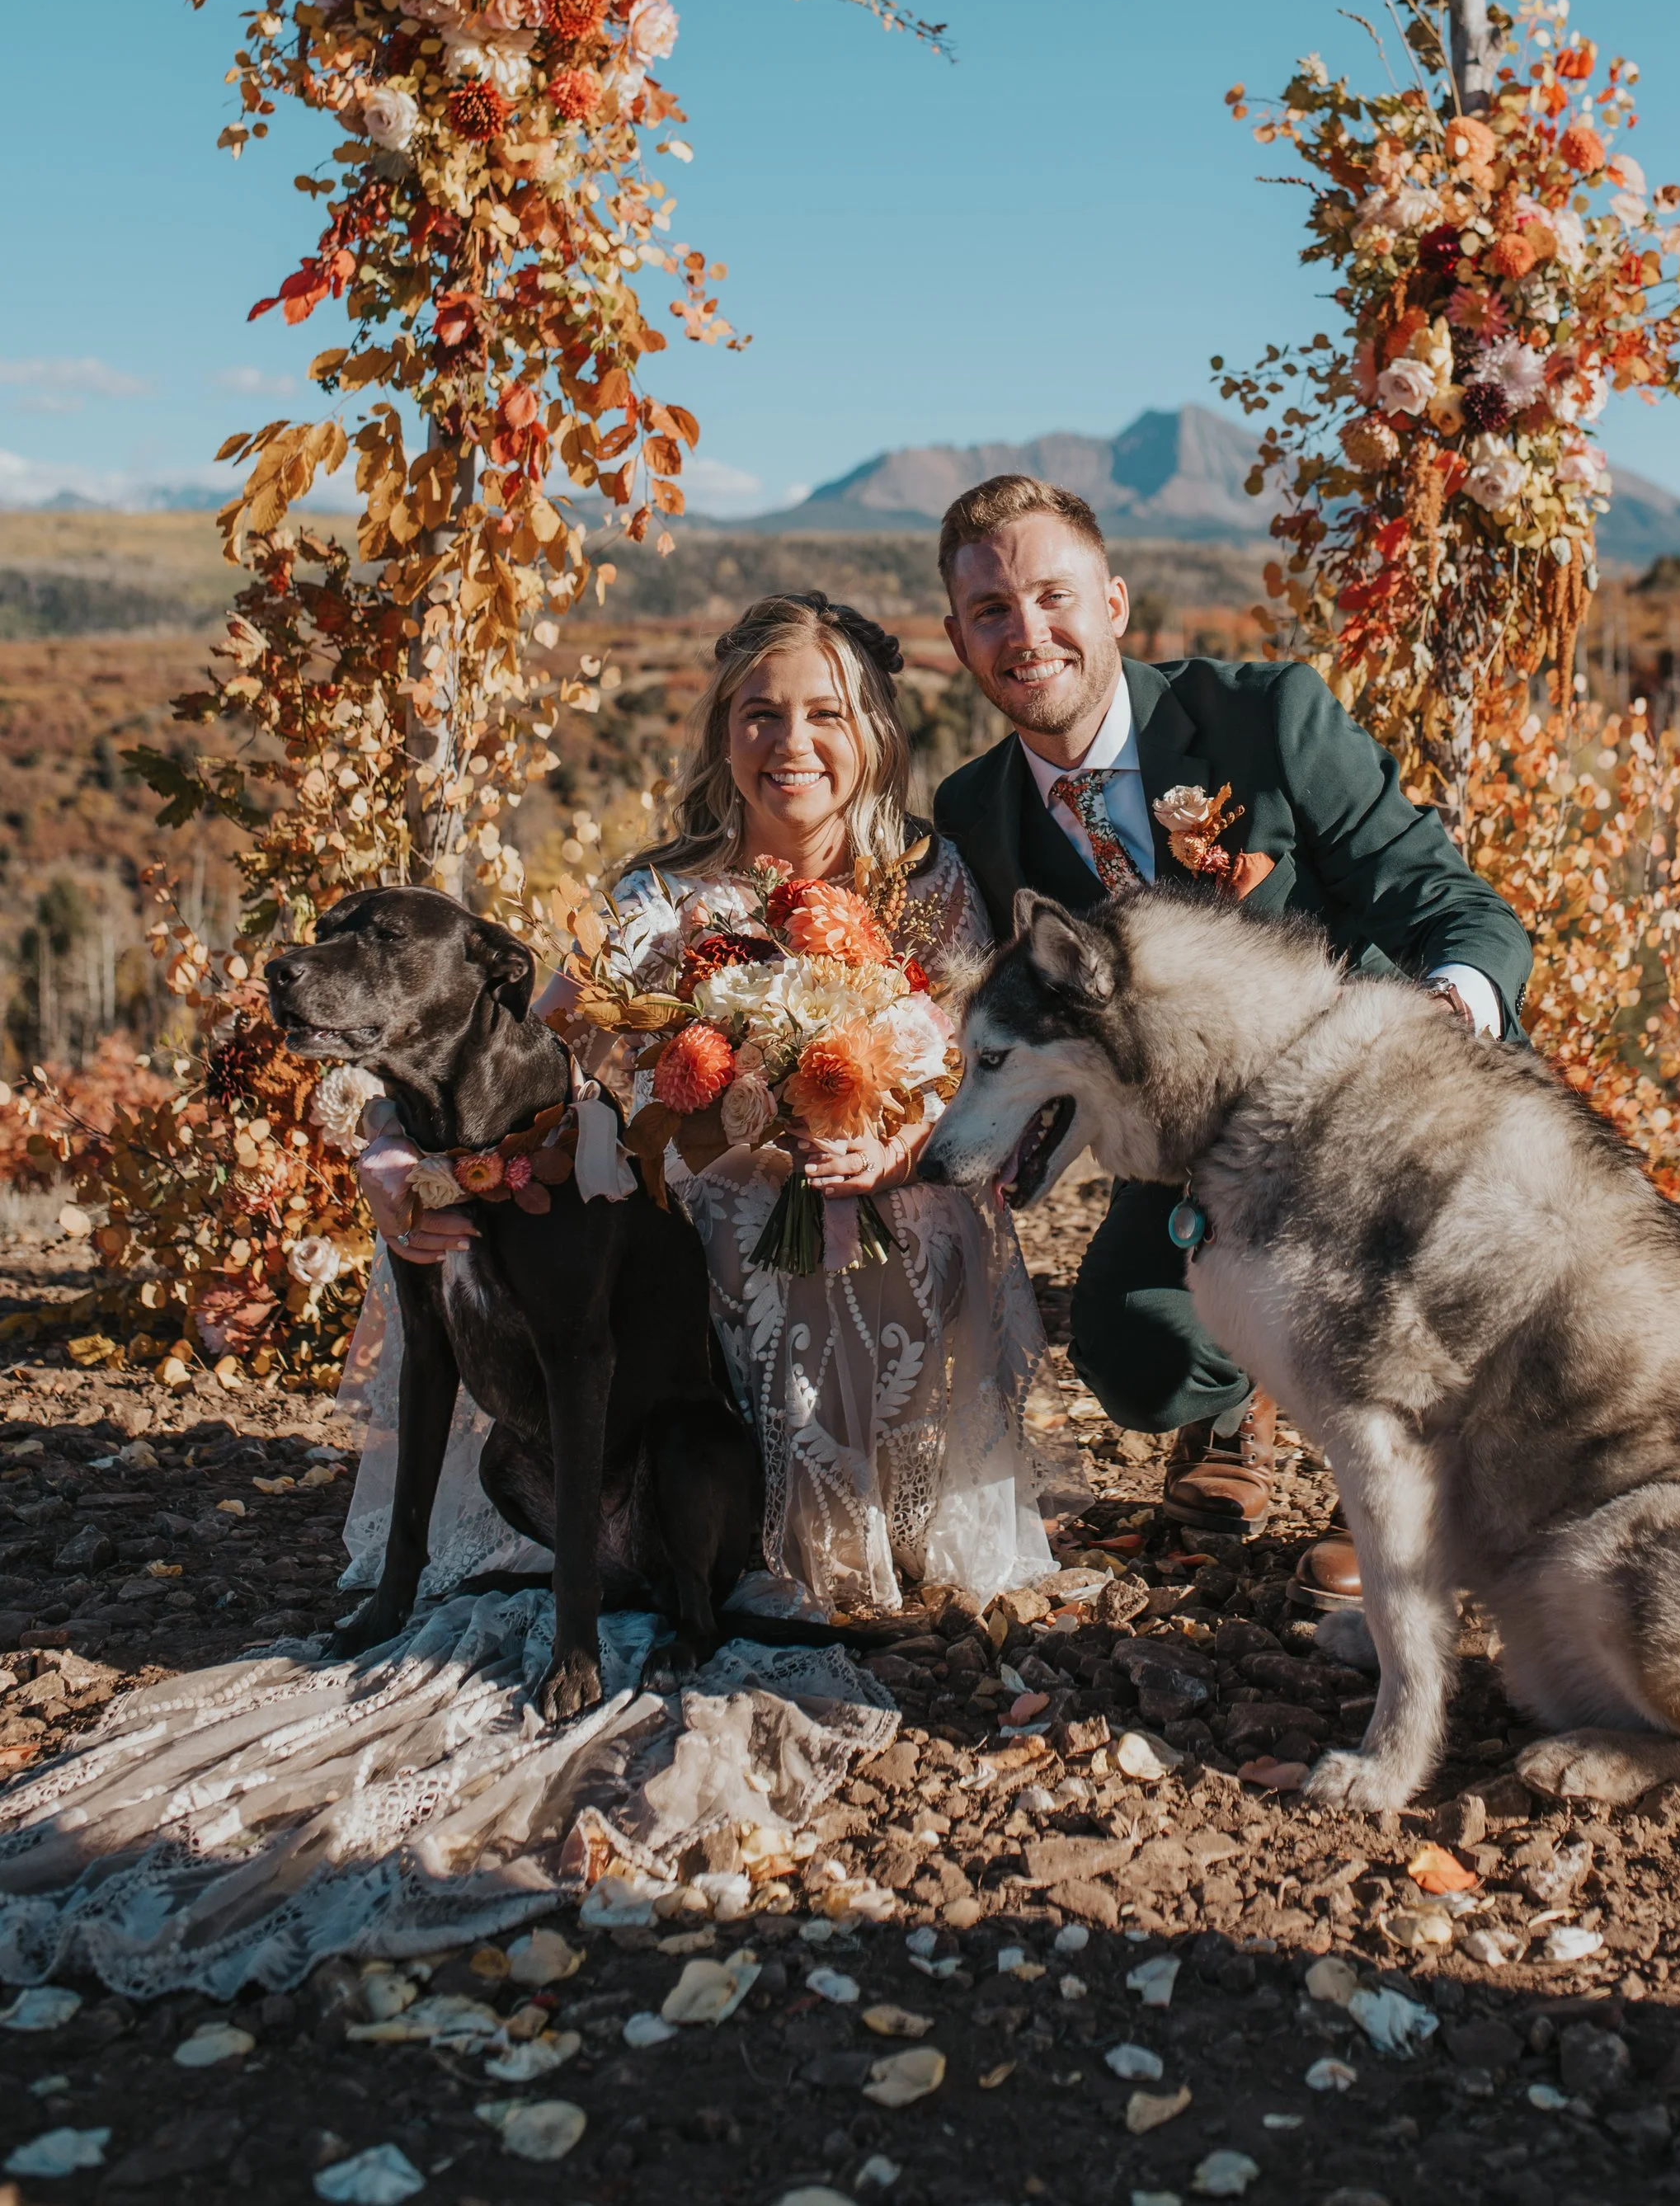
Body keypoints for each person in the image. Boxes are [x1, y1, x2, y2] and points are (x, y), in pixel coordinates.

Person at [342, 591, 1056, 1619]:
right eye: (759, 712)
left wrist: (896, 1148)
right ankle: (665, 1514)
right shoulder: (656, 890)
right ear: (724, 732)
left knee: (820, 1225)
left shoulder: (923, 877)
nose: (791, 742)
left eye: (827, 712)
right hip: (683, 1201)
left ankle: (831, 1522)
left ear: (875, 732)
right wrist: (388, 1135)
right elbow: (518, 1052)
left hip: (878, 1191)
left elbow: (974, 1072)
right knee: (665, 1209)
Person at [931, 473, 1532, 1601]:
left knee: (1433, 1304)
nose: (1027, 633)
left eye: (1052, 595)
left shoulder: (1270, 718)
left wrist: (1434, 1022)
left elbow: (1461, 912)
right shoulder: (974, 815)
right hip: (1192, 1154)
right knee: (1136, 1358)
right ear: (959, 638)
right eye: (991, 612)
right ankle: (1233, 1404)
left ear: (1113, 600)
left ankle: (1429, 1506)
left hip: (1374, 1111)